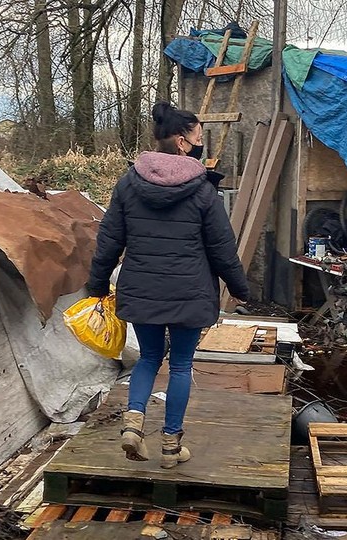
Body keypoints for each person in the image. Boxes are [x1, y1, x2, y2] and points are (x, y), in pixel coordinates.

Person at [87, 101, 249, 468]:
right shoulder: (203, 189)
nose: (200, 143)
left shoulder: (129, 183)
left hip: (142, 290)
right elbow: (222, 249)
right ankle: (171, 447)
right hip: (189, 294)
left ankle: (133, 423)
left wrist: (97, 284)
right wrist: (241, 288)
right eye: (197, 137)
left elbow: (109, 240)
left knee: (147, 357)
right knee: (179, 365)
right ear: (180, 141)